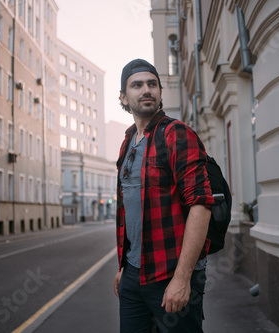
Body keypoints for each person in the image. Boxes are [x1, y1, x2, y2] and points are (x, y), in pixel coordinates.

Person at [113, 58, 214, 333]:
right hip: (133, 276)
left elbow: (201, 204)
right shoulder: (127, 142)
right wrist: (124, 266)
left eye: (152, 84)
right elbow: (129, 209)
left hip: (171, 273)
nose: (146, 90)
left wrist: (182, 279)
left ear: (159, 92)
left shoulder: (176, 133)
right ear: (124, 96)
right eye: (137, 85)